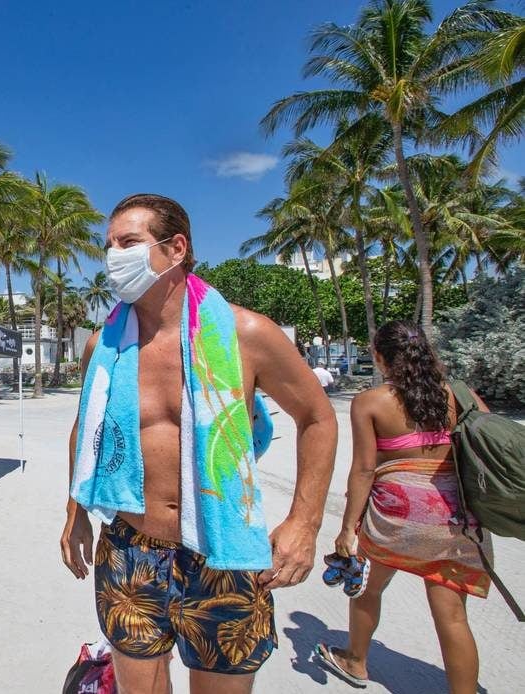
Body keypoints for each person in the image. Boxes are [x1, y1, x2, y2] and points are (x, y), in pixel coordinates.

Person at [60, 194, 337, 694]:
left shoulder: (246, 333)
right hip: (129, 549)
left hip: (222, 553)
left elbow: (317, 417)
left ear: (176, 248)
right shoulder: (101, 345)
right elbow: (86, 428)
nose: (113, 257)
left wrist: (305, 521)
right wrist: (75, 511)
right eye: (108, 246)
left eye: (129, 242)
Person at [315, 320, 492, 693]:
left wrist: (348, 528)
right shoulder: (463, 396)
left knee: (366, 590)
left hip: (396, 521)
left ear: (380, 357)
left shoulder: (371, 401)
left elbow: (364, 470)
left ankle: (355, 660)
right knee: (454, 617)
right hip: (456, 521)